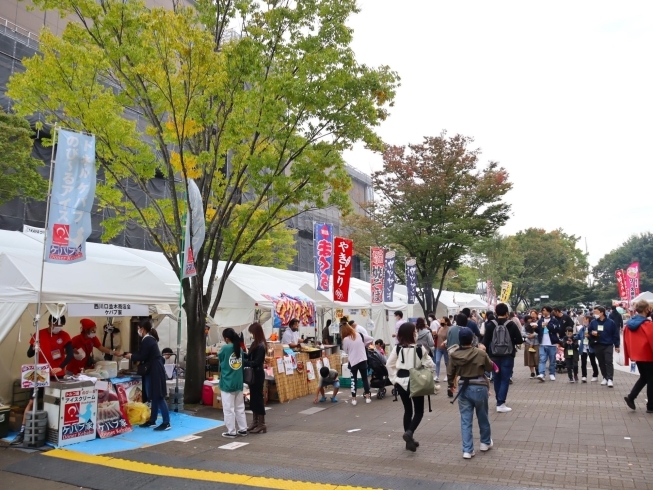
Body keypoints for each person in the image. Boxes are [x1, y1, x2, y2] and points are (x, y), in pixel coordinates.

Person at [10, 315, 73, 446]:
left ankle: (53, 430)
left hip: (57, 374)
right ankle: (22, 432)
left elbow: (70, 355)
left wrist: (60, 367)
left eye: (60, 326)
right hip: (40, 373)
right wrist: (34, 348)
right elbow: (29, 354)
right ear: (50, 323)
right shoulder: (39, 334)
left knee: (55, 402)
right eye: (56, 325)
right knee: (32, 401)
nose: (58, 328)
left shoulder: (65, 336)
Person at [386, 322, 436, 452]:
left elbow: (388, 364)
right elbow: (431, 364)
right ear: (412, 333)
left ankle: (409, 441)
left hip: (401, 381)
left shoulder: (397, 348)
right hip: (416, 381)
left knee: (407, 410)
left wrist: (394, 379)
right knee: (419, 411)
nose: (416, 333)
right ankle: (409, 433)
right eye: (415, 331)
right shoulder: (420, 348)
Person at [448, 327, 494, 459]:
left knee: (465, 420)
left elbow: (450, 372)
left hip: (463, 387)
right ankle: (485, 443)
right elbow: (489, 367)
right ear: (473, 339)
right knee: (483, 416)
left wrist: (451, 385)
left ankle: (467, 450)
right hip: (479, 386)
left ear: (460, 340)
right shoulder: (480, 353)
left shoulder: (454, 355)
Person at [119, 319, 170, 431]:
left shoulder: (147, 340)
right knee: (154, 396)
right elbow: (142, 354)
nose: (138, 330)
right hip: (152, 369)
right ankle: (153, 420)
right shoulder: (148, 340)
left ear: (143, 329)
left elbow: (142, 356)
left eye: (138, 328)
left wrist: (131, 357)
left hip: (154, 369)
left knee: (159, 395)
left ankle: (166, 422)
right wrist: (128, 354)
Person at [482, 303, 523, 413]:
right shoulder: (511, 324)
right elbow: (519, 340)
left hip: (494, 356)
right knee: (505, 379)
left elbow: (485, 341)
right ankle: (501, 403)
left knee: (496, 378)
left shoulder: (490, 324)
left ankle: (498, 401)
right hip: (508, 355)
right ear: (506, 313)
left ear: (496, 312)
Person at [623, 300, 653, 412]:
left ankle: (631, 397)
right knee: (651, 380)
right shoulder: (648, 325)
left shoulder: (629, 325)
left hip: (637, 356)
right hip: (649, 356)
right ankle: (650, 406)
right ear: (646, 309)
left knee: (644, 377)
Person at [218, 327, 247, 438]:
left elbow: (220, 359)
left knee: (228, 408)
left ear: (226, 338)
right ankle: (243, 429)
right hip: (238, 381)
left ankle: (231, 431)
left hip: (227, 382)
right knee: (239, 406)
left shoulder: (225, 348)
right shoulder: (239, 348)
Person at [340, 322, 374, 405]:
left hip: (353, 360)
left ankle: (354, 399)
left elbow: (345, 350)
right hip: (362, 359)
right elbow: (371, 339)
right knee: (365, 378)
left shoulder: (345, 339)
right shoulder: (359, 335)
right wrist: (364, 346)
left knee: (353, 380)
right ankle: (367, 397)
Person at [244, 322, 267, 433]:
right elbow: (250, 357)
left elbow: (257, 362)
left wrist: (246, 362)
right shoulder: (256, 344)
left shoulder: (261, 345)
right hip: (254, 374)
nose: (251, 334)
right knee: (253, 398)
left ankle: (261, 423)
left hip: (257, 374)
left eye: (252, 332)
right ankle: (255, 422)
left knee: (258, 398)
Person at [588, 306, 620, 387]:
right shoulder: (593, 322)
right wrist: (592, 333)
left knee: (608, 361)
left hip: (608, 344)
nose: (595, 314)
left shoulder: (610, 322)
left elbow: (615, 334)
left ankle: (610, 379)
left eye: (596, 312)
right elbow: (589, 331)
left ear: (602, 313)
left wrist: (617, 345)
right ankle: (605, 377)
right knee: (601, 362)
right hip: (597, 344)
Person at [536, 306, 562, 382]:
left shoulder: (554, 320)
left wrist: (548, 325)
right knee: (542, 359)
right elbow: (538, 331)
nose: (543, 312)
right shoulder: (540, 320)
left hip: (552, 343)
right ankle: (541, 374)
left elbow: (557, 329)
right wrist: (535, 328)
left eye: (544, 310)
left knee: (552, 360)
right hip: (542, 343)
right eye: (542, 310)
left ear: (548, 311)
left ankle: (552, 373)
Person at [577, 314, 598, 383]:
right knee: (583, 362)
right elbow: (578, 336)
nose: (584, 321)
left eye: (585, 319)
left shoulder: (593, 329)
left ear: (589, 320)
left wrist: (589, 336)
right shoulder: (582, 329)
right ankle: (584, 376)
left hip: (591, 347)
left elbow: (596, 337)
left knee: (593, 362)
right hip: (583, 347)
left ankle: (595, 375)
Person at [522, 314, 539, 379]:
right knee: (529, 358)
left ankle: (537, 370)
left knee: (536, 357)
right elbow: (522, 333)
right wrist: (528, 336)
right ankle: (532, 372)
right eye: (528, 319)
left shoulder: (536, 324)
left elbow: (538, 332)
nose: (530, 320)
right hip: (528, 343)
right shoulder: (524, 326)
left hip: (536, 343)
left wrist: (534, 335)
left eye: (531, 318)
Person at [434, 316, 451, 383]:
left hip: (445, 348)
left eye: (442, 320)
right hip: (438, 348)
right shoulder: (439, 328)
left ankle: (447, 375)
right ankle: (437, 376)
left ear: (446, 322)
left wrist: (444, 343)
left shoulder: (448, 329)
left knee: (447, 362)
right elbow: (437, 336)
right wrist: (435, 335)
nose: (441, 321)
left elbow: (449, 338)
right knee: (437, 361)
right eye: (441, 320)